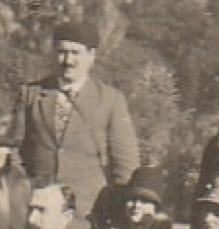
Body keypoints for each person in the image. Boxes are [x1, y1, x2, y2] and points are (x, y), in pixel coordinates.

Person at [18, 20, 139, 217]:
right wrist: (25, 191)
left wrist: (118, 210)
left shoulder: (110, 100)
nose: (68, 60)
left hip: (88, 212)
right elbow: (14, 151)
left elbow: (126, 164)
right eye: (62, 52)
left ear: (91, 56)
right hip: (37, 210)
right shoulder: (30, 95)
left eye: (76, 53)